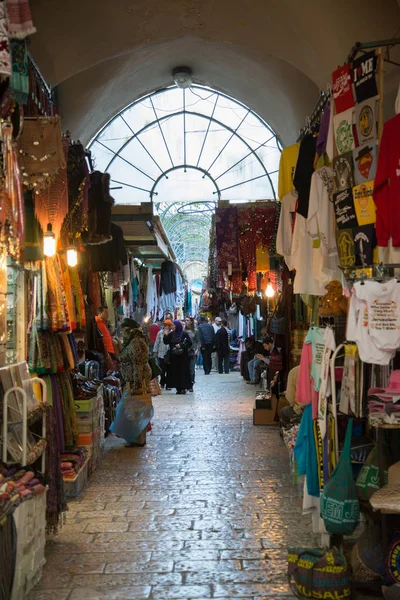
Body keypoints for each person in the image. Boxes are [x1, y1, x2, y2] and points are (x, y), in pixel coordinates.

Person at [113, 318, 152, 446]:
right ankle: (136, 438)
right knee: (135, 409)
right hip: (134, 379)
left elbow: (138, 364)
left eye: (124, 330)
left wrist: (137, 384)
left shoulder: (135, 342)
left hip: (136, 380)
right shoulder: (134, 340)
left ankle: (137, 440)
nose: (123, 333)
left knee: (135, 409)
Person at [163, 320, 192, 394]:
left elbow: (189, 343)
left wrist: (181, 345)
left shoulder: (184, 334)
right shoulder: (171, 334)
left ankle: (183, 387)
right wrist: (166, 335)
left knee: (183, 372)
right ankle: (178, 388)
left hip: (183, 357)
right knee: (175, 372)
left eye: (173, 325)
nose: (172, 327)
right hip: (174, 357)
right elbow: (166, 342)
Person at [153, 320, 172, 389]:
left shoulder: (172, 333)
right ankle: (162, 382)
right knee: (162, 369)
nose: (166, 327)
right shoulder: (160, 333)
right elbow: (157, 342)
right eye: (165, 325)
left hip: (170, 354)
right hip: (161, 354)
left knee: (169, 370)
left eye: (168, 325)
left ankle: (168, 384)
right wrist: (155, 352)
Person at [184, 316, 200, 392]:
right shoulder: (183, 331)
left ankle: (191, 384)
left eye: (187, 320)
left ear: (191, 322)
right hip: (185, 352)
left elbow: (198, 341)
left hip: (193, 352)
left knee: (191, 369)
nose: (186, 322)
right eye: (185, 320)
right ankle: (186, 384)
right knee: (185, 369)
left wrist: (197, 349)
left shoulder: (196, 331)